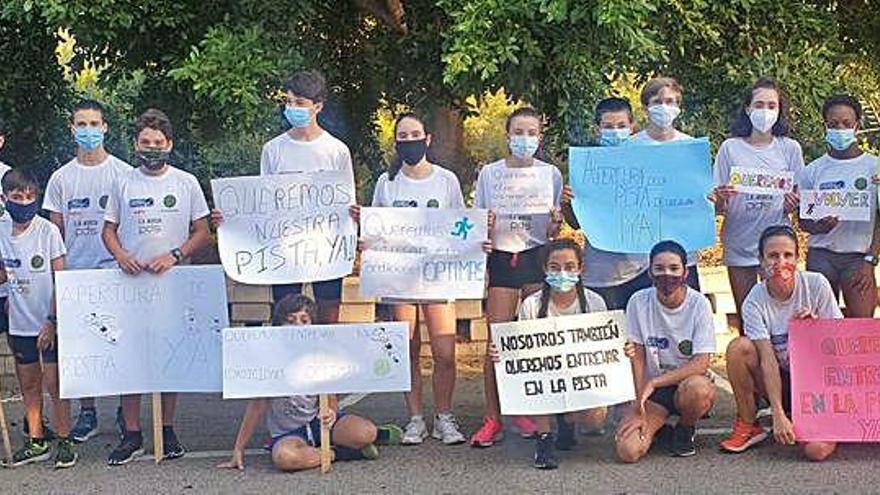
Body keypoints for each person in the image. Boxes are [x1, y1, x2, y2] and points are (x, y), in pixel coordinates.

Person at [101, 108, 211, 465]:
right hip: (131, 285)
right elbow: (108, 230)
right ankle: (131, 433)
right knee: (131, 359)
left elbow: (202, 232)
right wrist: (121, 256)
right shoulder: (123, 182)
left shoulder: (186, 182)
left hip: (173, 284)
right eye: (145, 142)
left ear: (170, 145)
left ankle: (166, 429)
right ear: (135, 144)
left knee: (170, 356)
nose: (152, 148)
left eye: (158, 143)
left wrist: (175, 255)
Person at [365, 112, 468, 445]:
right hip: (400, 279)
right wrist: (365, 236)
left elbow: (461, 225)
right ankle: (415, 419)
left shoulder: (446, 180)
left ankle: (444, 417)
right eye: (402, 136)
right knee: (408, 349)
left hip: (439, 276)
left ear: (428, 139)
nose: (409, 141)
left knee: (445, 352)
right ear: (396, 142)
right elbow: (377, 229)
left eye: (415, 134)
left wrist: (476, 242)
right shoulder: (387, 182)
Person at [217, 294, 401, 472]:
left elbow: (331, 396)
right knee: (285, 458)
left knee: (365, 432)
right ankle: (341, 452)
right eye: (290, 320)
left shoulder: (320, 353)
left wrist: (331, 412)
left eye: (304, 320)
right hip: (289, 433)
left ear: (313, 324)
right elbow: (256, 407)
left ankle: (375, 435)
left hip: (319, 423)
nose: (298, 326)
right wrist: (239, 448)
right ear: (278, 326)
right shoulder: (270, 360)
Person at [470, 106, 563, 447]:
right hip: (501, 259)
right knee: (496, 343)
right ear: (507, 135)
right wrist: (486, 226)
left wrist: (555, 224)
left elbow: (554, 228)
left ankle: (529, 413)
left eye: (531, 133)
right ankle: (493, 417)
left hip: (535, 257)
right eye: (518, 132)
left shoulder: (550, 174)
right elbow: (478, 220)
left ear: (540, 137)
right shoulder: (490, 173)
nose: (524, 139)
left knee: (533, 341)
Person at [42, 99, 133, 443]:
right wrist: (59, 278)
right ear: (72, 129)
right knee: (80, 351)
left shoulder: (123, 174)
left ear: (106, 127)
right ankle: (88, 412)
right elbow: (56, 233)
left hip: (116, 273)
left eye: (95, 124)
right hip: (75, 278)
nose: (88, 131)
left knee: (122, 346)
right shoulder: (60, 179)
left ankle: (127, 417)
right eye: (82, 124)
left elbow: (131, 226)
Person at [720, 226, 842, 460]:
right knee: (739, 348)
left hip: (818, 383)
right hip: (783, 383)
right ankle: (749, 424)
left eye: (787, 255)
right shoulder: (754, 300)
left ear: (798, 258)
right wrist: (777, 412)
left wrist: (814, 333)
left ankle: (837, 422)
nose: (780, 262)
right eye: (773, 256)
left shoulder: (816, 284)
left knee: (816, 452)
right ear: (761, 261)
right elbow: (766, 359)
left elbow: (839, 350)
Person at [491, 239, 614, 469]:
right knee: (537, 379)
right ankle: (544, 439)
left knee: (595, 419)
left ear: (580, 269)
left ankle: (566, 420)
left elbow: (606, 347)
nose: (562, 273)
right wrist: (504, 354)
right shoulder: (531, 305)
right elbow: (521, 351)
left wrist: (620, 348)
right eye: (554, 267)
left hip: (581, 375)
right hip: (547, 377)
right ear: (545, 270)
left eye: (569, 266)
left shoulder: (594, 302)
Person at [254, 69, 355, 324]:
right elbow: (263, 202)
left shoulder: (336, 150)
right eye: (288, 102)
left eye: (300, 103)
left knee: (329, 313)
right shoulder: (272, 149)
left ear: (317, 106)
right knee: (285, 314)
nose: (292, 108)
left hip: (327, 247)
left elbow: (347, 202)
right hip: (285, 248)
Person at [712, 78, 804, 332]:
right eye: (759, 104)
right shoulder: (729, 148)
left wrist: (792, 204)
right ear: (747, 108)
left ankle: (783, 370)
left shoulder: (790, 149)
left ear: (780, 110)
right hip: (739, 242)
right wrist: (719, 200)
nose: (765, 111)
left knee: (781, 319)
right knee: (746, 319)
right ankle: (752, 371)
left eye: (772, 105)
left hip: (778, 245)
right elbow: (717, 203)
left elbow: (800, 198)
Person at [0, 169, 76, 468]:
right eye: (17, 197)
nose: (24, 202)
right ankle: (36, 440)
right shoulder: (1, 231)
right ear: (5, 198)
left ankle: (65, 438)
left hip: (48, 321)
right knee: (29, 384)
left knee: (56, 383)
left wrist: (52, 320)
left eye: (30, 197)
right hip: (19, 322)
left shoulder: (48, 231)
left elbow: (61, 279)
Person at [615, 240, 716, 462]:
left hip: (687, 384)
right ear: (649, 271)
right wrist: (637, 402)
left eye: (673, 268)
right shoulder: (638, 301)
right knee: (628, 451)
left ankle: (685, 428)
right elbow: (638, 355)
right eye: (659, 269)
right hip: (653, 392)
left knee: (698, 390)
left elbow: (701, 363)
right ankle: (660, 430)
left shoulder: (699, 304)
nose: (666, 275)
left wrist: (655, 383)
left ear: (685, 272)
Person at [562, 97, 655, 311]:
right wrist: (567, 203)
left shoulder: (648, 164)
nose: (615, 131)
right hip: (599, 274)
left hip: (640, 270)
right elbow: (575, 223)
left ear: (632, 127)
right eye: (608, 126)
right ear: (597, 129)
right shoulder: (585, 168)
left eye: (621, 126)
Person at [797, 94, 879, 318]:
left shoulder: (875, 168)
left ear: (857, 126)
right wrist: (819, 226)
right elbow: (804, 220)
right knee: (821, 329)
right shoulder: (812, 171)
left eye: (846, 123)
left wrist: (870, 260)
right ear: (825, 126)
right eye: (833, 124)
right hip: (821, 255)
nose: (840, 129)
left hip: (858, 258)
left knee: (861, 328)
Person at [631, 77, 702, 291]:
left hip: (683, 253)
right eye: (657, 102)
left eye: (670, 102)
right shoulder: (629, 147)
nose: (664, 107)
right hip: (640, 255)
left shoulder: (691, 147)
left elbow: (701, 196)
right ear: (645, 108)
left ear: (679, 108)